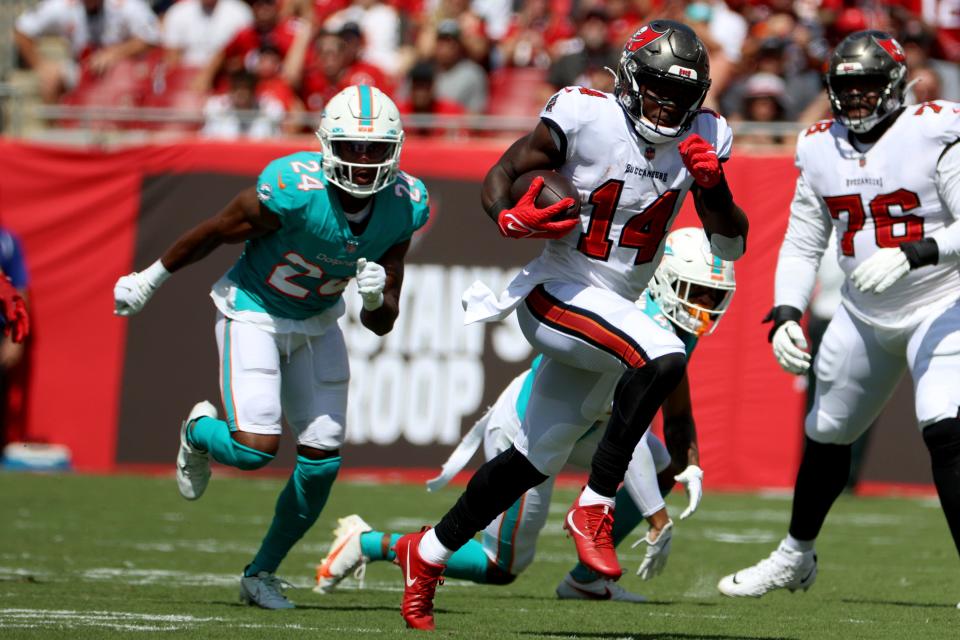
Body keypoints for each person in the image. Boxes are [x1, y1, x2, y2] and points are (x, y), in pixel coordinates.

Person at [393, 20, 748, 630]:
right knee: (664, 353)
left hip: (613, 311)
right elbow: (501, 176)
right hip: (556, 290)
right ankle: (595, 507)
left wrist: (713, 186)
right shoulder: (585, 114)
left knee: (533, 459)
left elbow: (730, 244)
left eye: (681, 95)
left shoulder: (707, 136)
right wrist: (508, 216)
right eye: (658, 88)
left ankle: (426, 554)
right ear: (631, 81)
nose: (668, 106)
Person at [112, 85, 429, 609]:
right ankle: (197, 432)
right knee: (254, 450)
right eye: (353, 146)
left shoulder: (404, 205)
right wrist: (150, 278)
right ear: (328, 143)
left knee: (322, 460)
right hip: (254, 310)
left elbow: (380, 324)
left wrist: (376, 295)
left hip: (318, 321)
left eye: (376, 149)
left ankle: (261, 573)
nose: (365, 160)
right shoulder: (294, 187)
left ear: (395, 150)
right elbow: (216, 231)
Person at [315, 227, 735, 601]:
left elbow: (675, 410)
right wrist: (656, 517)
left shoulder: (677, 331)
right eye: (694, 291)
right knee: (501, 567)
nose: (704, 306)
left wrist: (689, 465)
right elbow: (632, 437)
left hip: (591, 429)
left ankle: (585, 580)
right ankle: (371, 542)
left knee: (667, 466)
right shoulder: (639, 323)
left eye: (714, 297)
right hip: (534, 428)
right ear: (663, 281)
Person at [717, 30, 960, 599]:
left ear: (896, 85)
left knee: (942, 421)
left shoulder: (933, 132)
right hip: (864, 309)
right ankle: (794, 556)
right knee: (827, 430)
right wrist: (783, 313)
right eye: (846, 87)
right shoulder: (820, 145)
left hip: (942, 300)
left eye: (868, 85)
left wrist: (914, 252)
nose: (855, 99)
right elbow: (803, 242)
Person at [14, 0, 161, 104]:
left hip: (122, 69)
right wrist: (41, 64)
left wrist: (115, 53)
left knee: (124, 77)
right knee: (50, 79)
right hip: (81, 67)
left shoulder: (127, 5)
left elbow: (152, 36)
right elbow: (22, 28)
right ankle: (56, 135)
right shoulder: (62, 6)